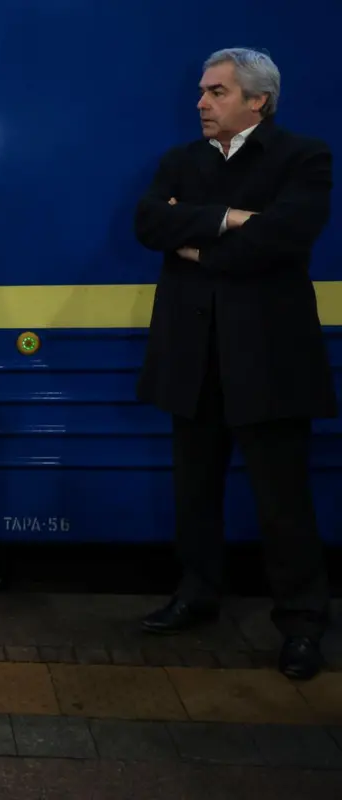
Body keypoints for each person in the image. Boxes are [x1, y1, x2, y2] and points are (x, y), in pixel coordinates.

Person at [134, 47, 334, 680]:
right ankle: (197, 593)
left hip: (269, 359)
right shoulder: (180, 160)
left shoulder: (303, 158)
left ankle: (302, 624)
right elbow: (146, 225)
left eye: (216, 92)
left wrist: (194, 247)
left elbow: (283, 240)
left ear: (258, 101)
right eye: (202, 91)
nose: (201, 103)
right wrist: (227, 219)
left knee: (283, 499)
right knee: (194, 490)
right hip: (193, 358)